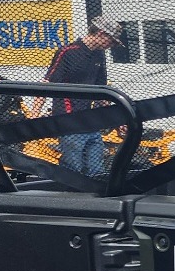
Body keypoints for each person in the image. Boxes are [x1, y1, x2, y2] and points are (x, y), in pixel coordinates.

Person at [44, 18, 121, 176]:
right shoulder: (68, 52)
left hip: (91, 121)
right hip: (69, 120)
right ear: (101, 33)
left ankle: (95, 199)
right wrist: (34, 115)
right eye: (111, 41)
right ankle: (69, 199)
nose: (111, 46)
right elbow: (46, 84)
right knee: (74, 170)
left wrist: (117, 120)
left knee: (97, 170)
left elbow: (102, 92)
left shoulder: (99, 56)